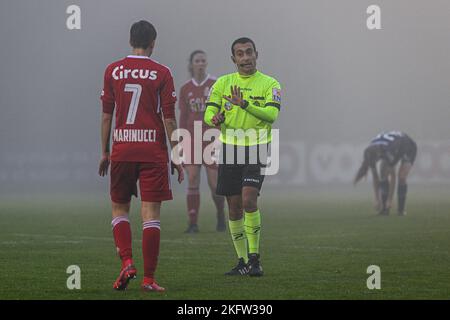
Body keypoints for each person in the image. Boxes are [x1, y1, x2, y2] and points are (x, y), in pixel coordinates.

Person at [98, 20, 184, 292]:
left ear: (130, 40)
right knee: (151, 216)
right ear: (153, 43)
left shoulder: (113, 70)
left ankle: (126, 261)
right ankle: (149, 279)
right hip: (152, 151)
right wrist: (177, 154)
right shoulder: (162, 72)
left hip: (122, 149)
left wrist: (105, 152)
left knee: (119, 209)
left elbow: (106, 116)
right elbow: (169, 119)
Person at [204, 37, 281, 277]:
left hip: (257, 147)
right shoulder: (223, 83)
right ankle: (242, 261)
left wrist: (245, 104)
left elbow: (271, 116)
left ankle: (255, 259)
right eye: (240, 54)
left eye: (249, 52)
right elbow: (209, 112)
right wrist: (213, 119)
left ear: (257, 54)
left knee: (249, 201)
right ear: (233, 59)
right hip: (230, 148)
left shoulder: (270, 83)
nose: (245, 57)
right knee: (234, 207)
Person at [178, 50, 225, 233]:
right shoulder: (185, 89)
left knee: (214, 185)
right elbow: (183, 117)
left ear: (206, 63)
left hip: (212, 138)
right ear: (191, 64)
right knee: (192, 178)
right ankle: (193, 223)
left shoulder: (216, 84)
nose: (200, 63)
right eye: (197, 60)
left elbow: (224, 111)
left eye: (203, 60)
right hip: (191, 138)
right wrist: (180, 142)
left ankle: (220, 213)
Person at [354, 131, 417, 216]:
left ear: (378, 155)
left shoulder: (388, 151)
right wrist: (377, 199)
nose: (375, 162)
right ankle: (384, 209)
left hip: (408, 147)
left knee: (401, 176)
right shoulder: (368, 153)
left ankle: (401, 210)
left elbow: (393, 176)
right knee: (383, 173)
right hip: (393, 145)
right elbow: (375, 177)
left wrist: (390, 200)